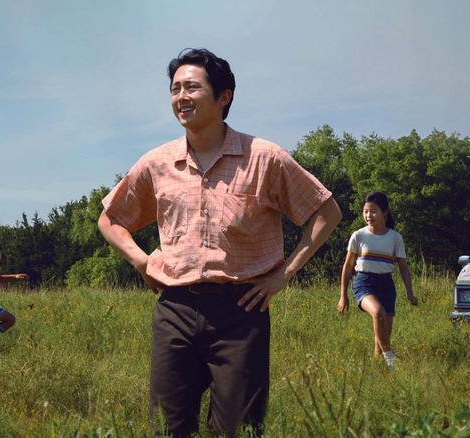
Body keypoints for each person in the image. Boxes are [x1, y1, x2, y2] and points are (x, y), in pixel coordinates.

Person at [97, 48, 341, 437]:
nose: (181, 97)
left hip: (241, 310)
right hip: (175, 307)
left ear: (223, 96)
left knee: (239, 430)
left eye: (192, 87)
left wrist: (285, 274)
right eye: (175, 88)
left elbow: (327, 212)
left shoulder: (264, 157)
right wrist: (142, 262)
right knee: (167, 428)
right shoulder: (157, 163)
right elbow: (110, 220)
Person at [337, 192, 417, 370]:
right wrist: (343, 296)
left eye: (373, 211)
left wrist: (410, 293)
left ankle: (373, 369)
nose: (368, 216)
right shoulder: (358, 236)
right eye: (365, 211)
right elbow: (348, 266)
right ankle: (391, 359)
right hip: (364, 283)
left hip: (387, 285)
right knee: (378, 313)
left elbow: (403, 267)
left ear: (384, 212)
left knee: (381, 334)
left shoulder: (395, 238)